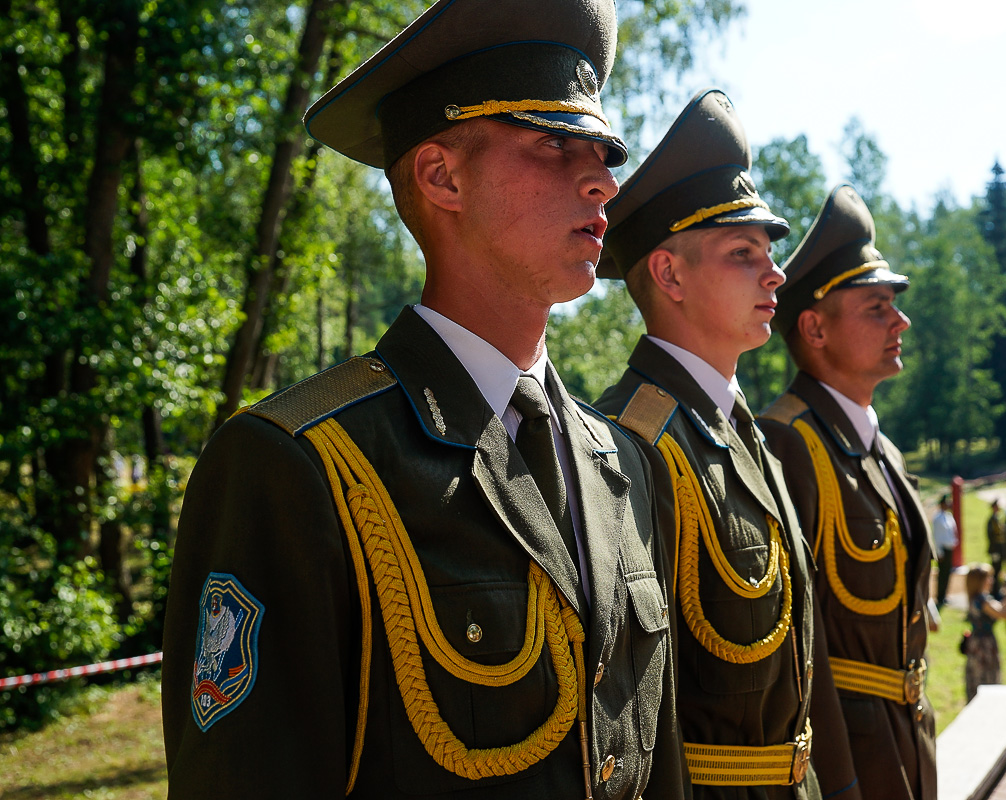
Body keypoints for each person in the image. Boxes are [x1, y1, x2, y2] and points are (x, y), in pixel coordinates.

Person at [159, 2, 687, 797]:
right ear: (442, 176)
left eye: (603, 151)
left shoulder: (625, 465)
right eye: (553, 143)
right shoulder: (299, 464)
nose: (604, 179)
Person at [592, 88, 821, 799]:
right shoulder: (632, 439)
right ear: (669, 274)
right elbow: (627, 706)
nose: (776, 272)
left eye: (768, 252)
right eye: (742, 252)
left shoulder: (738, 428)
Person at [757, 184, 937, 800]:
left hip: (906, 741)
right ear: (814, 327)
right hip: (854, 757)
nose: (900, 321)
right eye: (876, 307)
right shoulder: (786, 442)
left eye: (895, 305)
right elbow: (802, 645)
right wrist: (841, 780)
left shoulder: (877, 446)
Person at [962, 564, 1006, 701]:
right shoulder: (982, 600)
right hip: (984, 645)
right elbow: (1004, 614)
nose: (991, 581)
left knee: (977, 678)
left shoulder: (977, 598)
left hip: (977, 642)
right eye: (988, 578)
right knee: (986, 679)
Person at [932, 494, 958, 607]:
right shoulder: (937, 518)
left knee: (947, 573)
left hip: (949, 548)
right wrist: (939, 552)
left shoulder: (948, 516)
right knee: (942, 574)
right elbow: (936, 536)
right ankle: (939, 596)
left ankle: (945, 595)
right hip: (942, 549)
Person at [985, 499, 1006, 598]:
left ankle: (997, 589)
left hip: (1000, 549)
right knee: (995, 571)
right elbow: (990, 536)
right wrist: (993, 551)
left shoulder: (998, 519)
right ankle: (993, 591)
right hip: (995, 549)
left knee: (999, 570)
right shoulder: (991, 520)